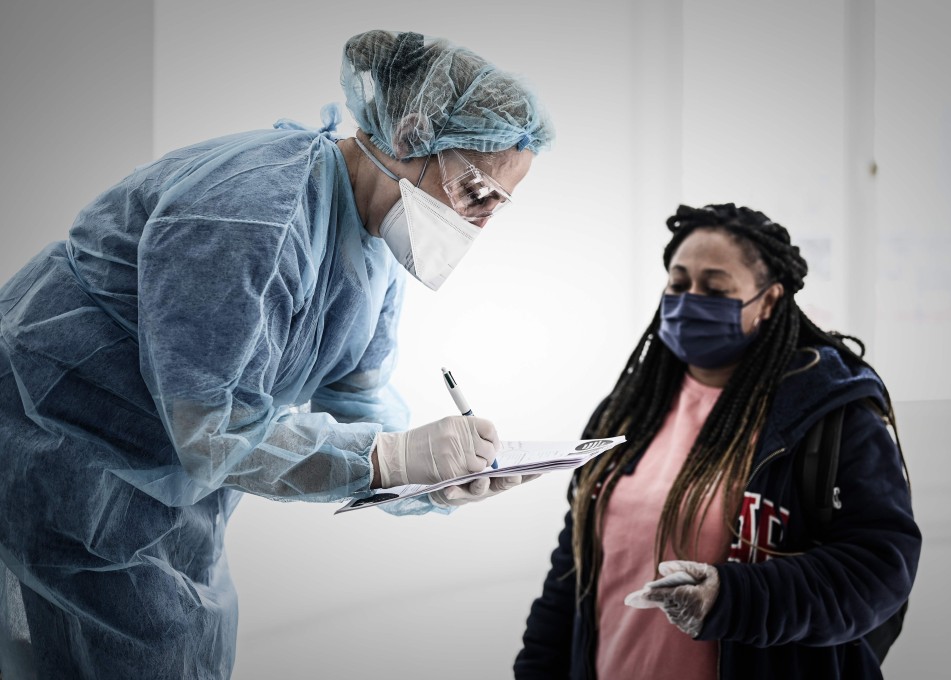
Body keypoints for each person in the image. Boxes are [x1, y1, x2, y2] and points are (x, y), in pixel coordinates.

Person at [0, 29, 553, 679]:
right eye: (476, 191)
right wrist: (391, 460)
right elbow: (209, 431)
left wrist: (433, 478)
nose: (481, 223)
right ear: (409, 138)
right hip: (61, 455)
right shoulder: (253, 212)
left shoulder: (370, 253)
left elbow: (358, 411)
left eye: (499, 206)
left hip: (155, 496)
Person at [515, 203, 920, 679]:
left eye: (715, 288)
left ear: (768, 301)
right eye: (679, 283)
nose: (690, 299)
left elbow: (878, 569)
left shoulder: (832, 418)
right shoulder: (628, 411)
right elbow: (574, 568)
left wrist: (732, 598)